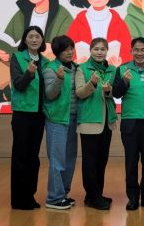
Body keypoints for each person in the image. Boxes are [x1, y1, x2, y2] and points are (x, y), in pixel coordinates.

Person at [112, 37, 144, 210]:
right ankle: (133, 197)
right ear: (131, 51)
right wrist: (125, 82)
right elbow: (116, 93)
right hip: (130, 123)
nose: (140, 53)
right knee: (131, 162)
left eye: (143, 50)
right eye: (136, 50)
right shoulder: (122, 69)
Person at [75, 38, 117, 210]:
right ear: (90, 50)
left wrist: (109, 92)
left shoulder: (112, 70)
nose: (100, 52)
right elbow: (79, 93)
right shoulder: (82, 69)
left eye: (103, 49)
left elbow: (114, 93)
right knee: (90, 162)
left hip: (107, 122)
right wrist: (92, 83)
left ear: (107, 51)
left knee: (102, 161)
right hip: (89, 121)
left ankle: (96, 194)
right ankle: (93, 196)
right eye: (96, 49)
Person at [9, 25, 47, 210]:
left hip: (39, 115)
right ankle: (18, 199)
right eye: (31, 36)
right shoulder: (17, 58)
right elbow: (18, 84)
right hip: (22, 114)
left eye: (37, 36)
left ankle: (30, 195)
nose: (34, 39)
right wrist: (29, 73)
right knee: (20, 157)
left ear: (42, 40)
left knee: (33, 157)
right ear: (25, 40)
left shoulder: (45, 61)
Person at [67, 0, 131, 65]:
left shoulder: (118, 21)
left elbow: (128, 49)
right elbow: (67, 47)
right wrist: (75, 61)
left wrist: (120, 60)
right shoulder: (79, 21)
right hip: (85, 69)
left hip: (111, 69)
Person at [43, 35, 78, 210]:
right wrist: (59, 78)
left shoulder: (76, 68)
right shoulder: (50, 69)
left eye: (71, 48)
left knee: (70, 158)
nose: (70, 52)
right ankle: (54, 197)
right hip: (56, 119)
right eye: (65, 49)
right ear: (57, 52)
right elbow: (50, 94)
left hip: (73, 118)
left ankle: (63, 193)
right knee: (57, 159)